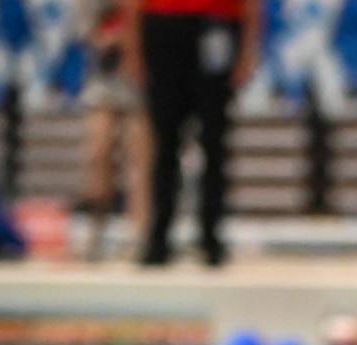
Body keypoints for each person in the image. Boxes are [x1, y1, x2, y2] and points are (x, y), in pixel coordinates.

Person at [123, 0, 259, 267]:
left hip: (216, 25)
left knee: (214, 142)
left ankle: (211, 237)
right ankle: (159, 238)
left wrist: (247, 51)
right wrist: (133, 51)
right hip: (164, 27)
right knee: (165, 142)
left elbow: (251, 5)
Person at [80, 0, 151, 261]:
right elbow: (87, 28)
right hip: (105, 79)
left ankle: (141, 234)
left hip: (139, 77)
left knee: (139, 162)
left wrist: (132, 41)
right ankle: (95, 231)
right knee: (98, 154)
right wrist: (111, 38)